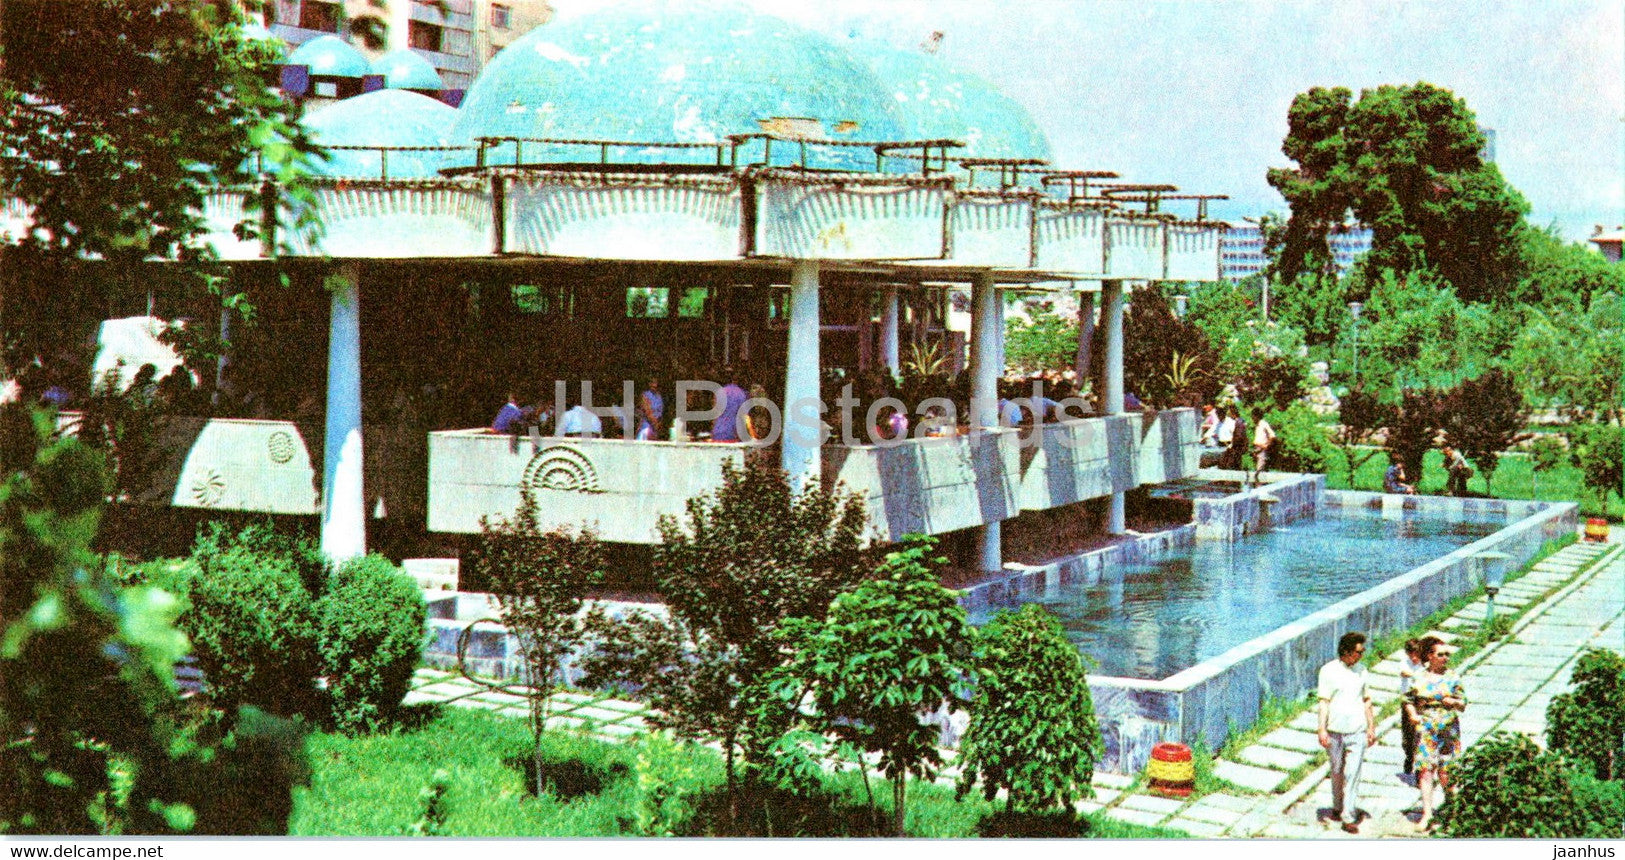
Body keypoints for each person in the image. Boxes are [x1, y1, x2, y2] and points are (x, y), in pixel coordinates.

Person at [1317, 631, 1377, 834]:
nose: (1361, 655)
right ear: (1347, 651)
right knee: (1336, 771)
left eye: (1362, 651)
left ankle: (1348, 815)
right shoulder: (1328, 671)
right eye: (1359, 651)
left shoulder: (1362, 671)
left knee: (1352, 773)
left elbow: (1367, 700)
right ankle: (1337, 805)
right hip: (1334, 730)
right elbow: (1323, 702)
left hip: (1357, 730)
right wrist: (1322, 729)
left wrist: (1371, 727)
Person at [1407, 636, 1466, 832]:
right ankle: (1427, 814)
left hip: (1448, 731)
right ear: (1430, 656)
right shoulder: (1418, 677)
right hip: (1426, 730)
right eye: (1441, 654)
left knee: (1447, 771)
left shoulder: (1453, 677)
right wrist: (1413, 715)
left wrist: (1454, 702)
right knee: (1425, 770)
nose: (1445, 658)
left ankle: (1451, 811)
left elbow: (1463, 703)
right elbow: (1407, 699)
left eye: (1447, 654)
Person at [1398, 639, 1424, 777]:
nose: (1414, 658)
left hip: (1421, 700)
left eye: (1417, 654)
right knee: (1407, 733)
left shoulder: (1424, 662)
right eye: (1411, 655)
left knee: (1420, 732)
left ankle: (1420, 764)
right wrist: (1418, 675)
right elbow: (1404, 672)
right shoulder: (1404, 662)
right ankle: (1409, 755)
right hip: (1407, 700)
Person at [710, 369, 749, 442]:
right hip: (734, 431)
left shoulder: (720, 392)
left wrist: (713, 431)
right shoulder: (741, 394)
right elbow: (743, 416)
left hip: (718, 431)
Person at [1250, 407, 1276, 484]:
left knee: (1259, 472)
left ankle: (1259, 489)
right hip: (1257, 450)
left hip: (1262, 450)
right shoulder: (1257, 425)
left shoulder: (1264, 424)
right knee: (1258, 471)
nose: (1252, 419)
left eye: (1253, 416)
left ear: (1257, 416)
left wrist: (1266, 445)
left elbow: (1272, 436)